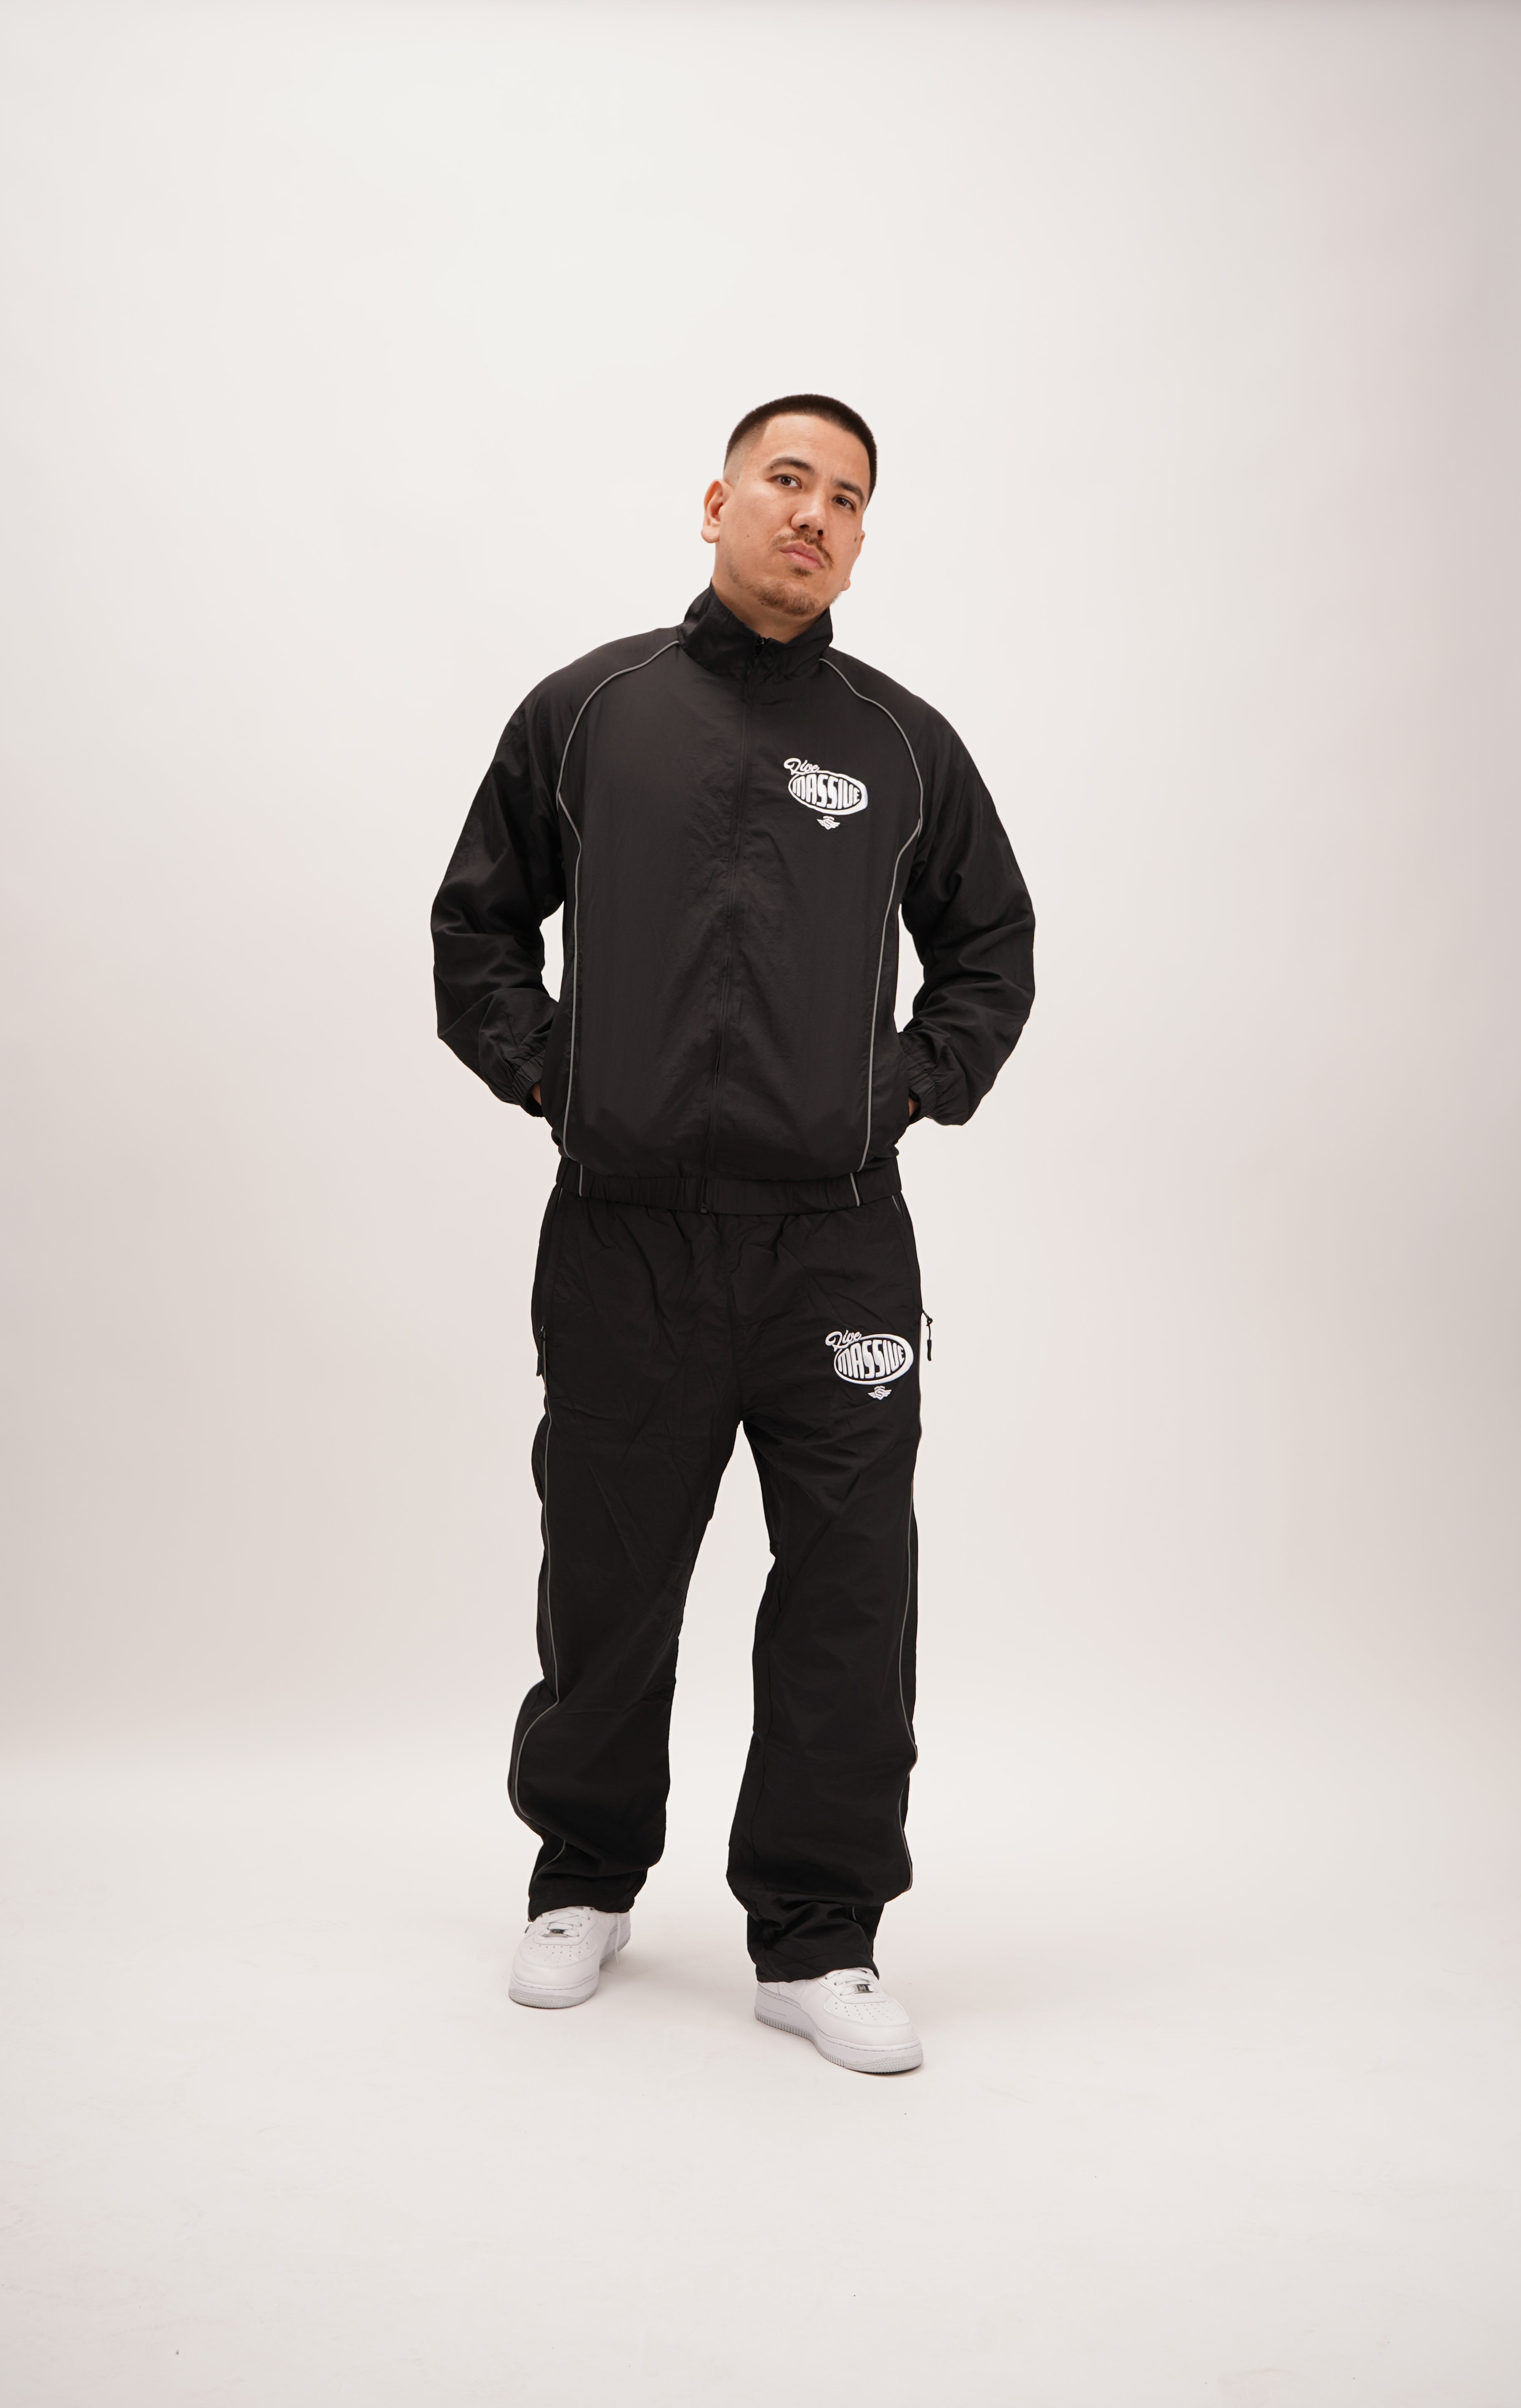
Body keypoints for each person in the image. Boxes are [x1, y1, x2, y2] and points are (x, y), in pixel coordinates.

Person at [431, 395, 1034, 2074]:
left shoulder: (902, 747)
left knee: (850, 1583)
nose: (815, 514)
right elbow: (478, 926)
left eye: (848, 497)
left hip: (838, 1244)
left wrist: (904, 1089)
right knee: (609, 1573)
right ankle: (583, 1876)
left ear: (860, 539)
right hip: (622, 1236)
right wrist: (560, 1075)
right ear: (716, 502)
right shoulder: (591, 712)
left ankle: (818, 1935)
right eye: (787, 479)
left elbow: (991, 947)